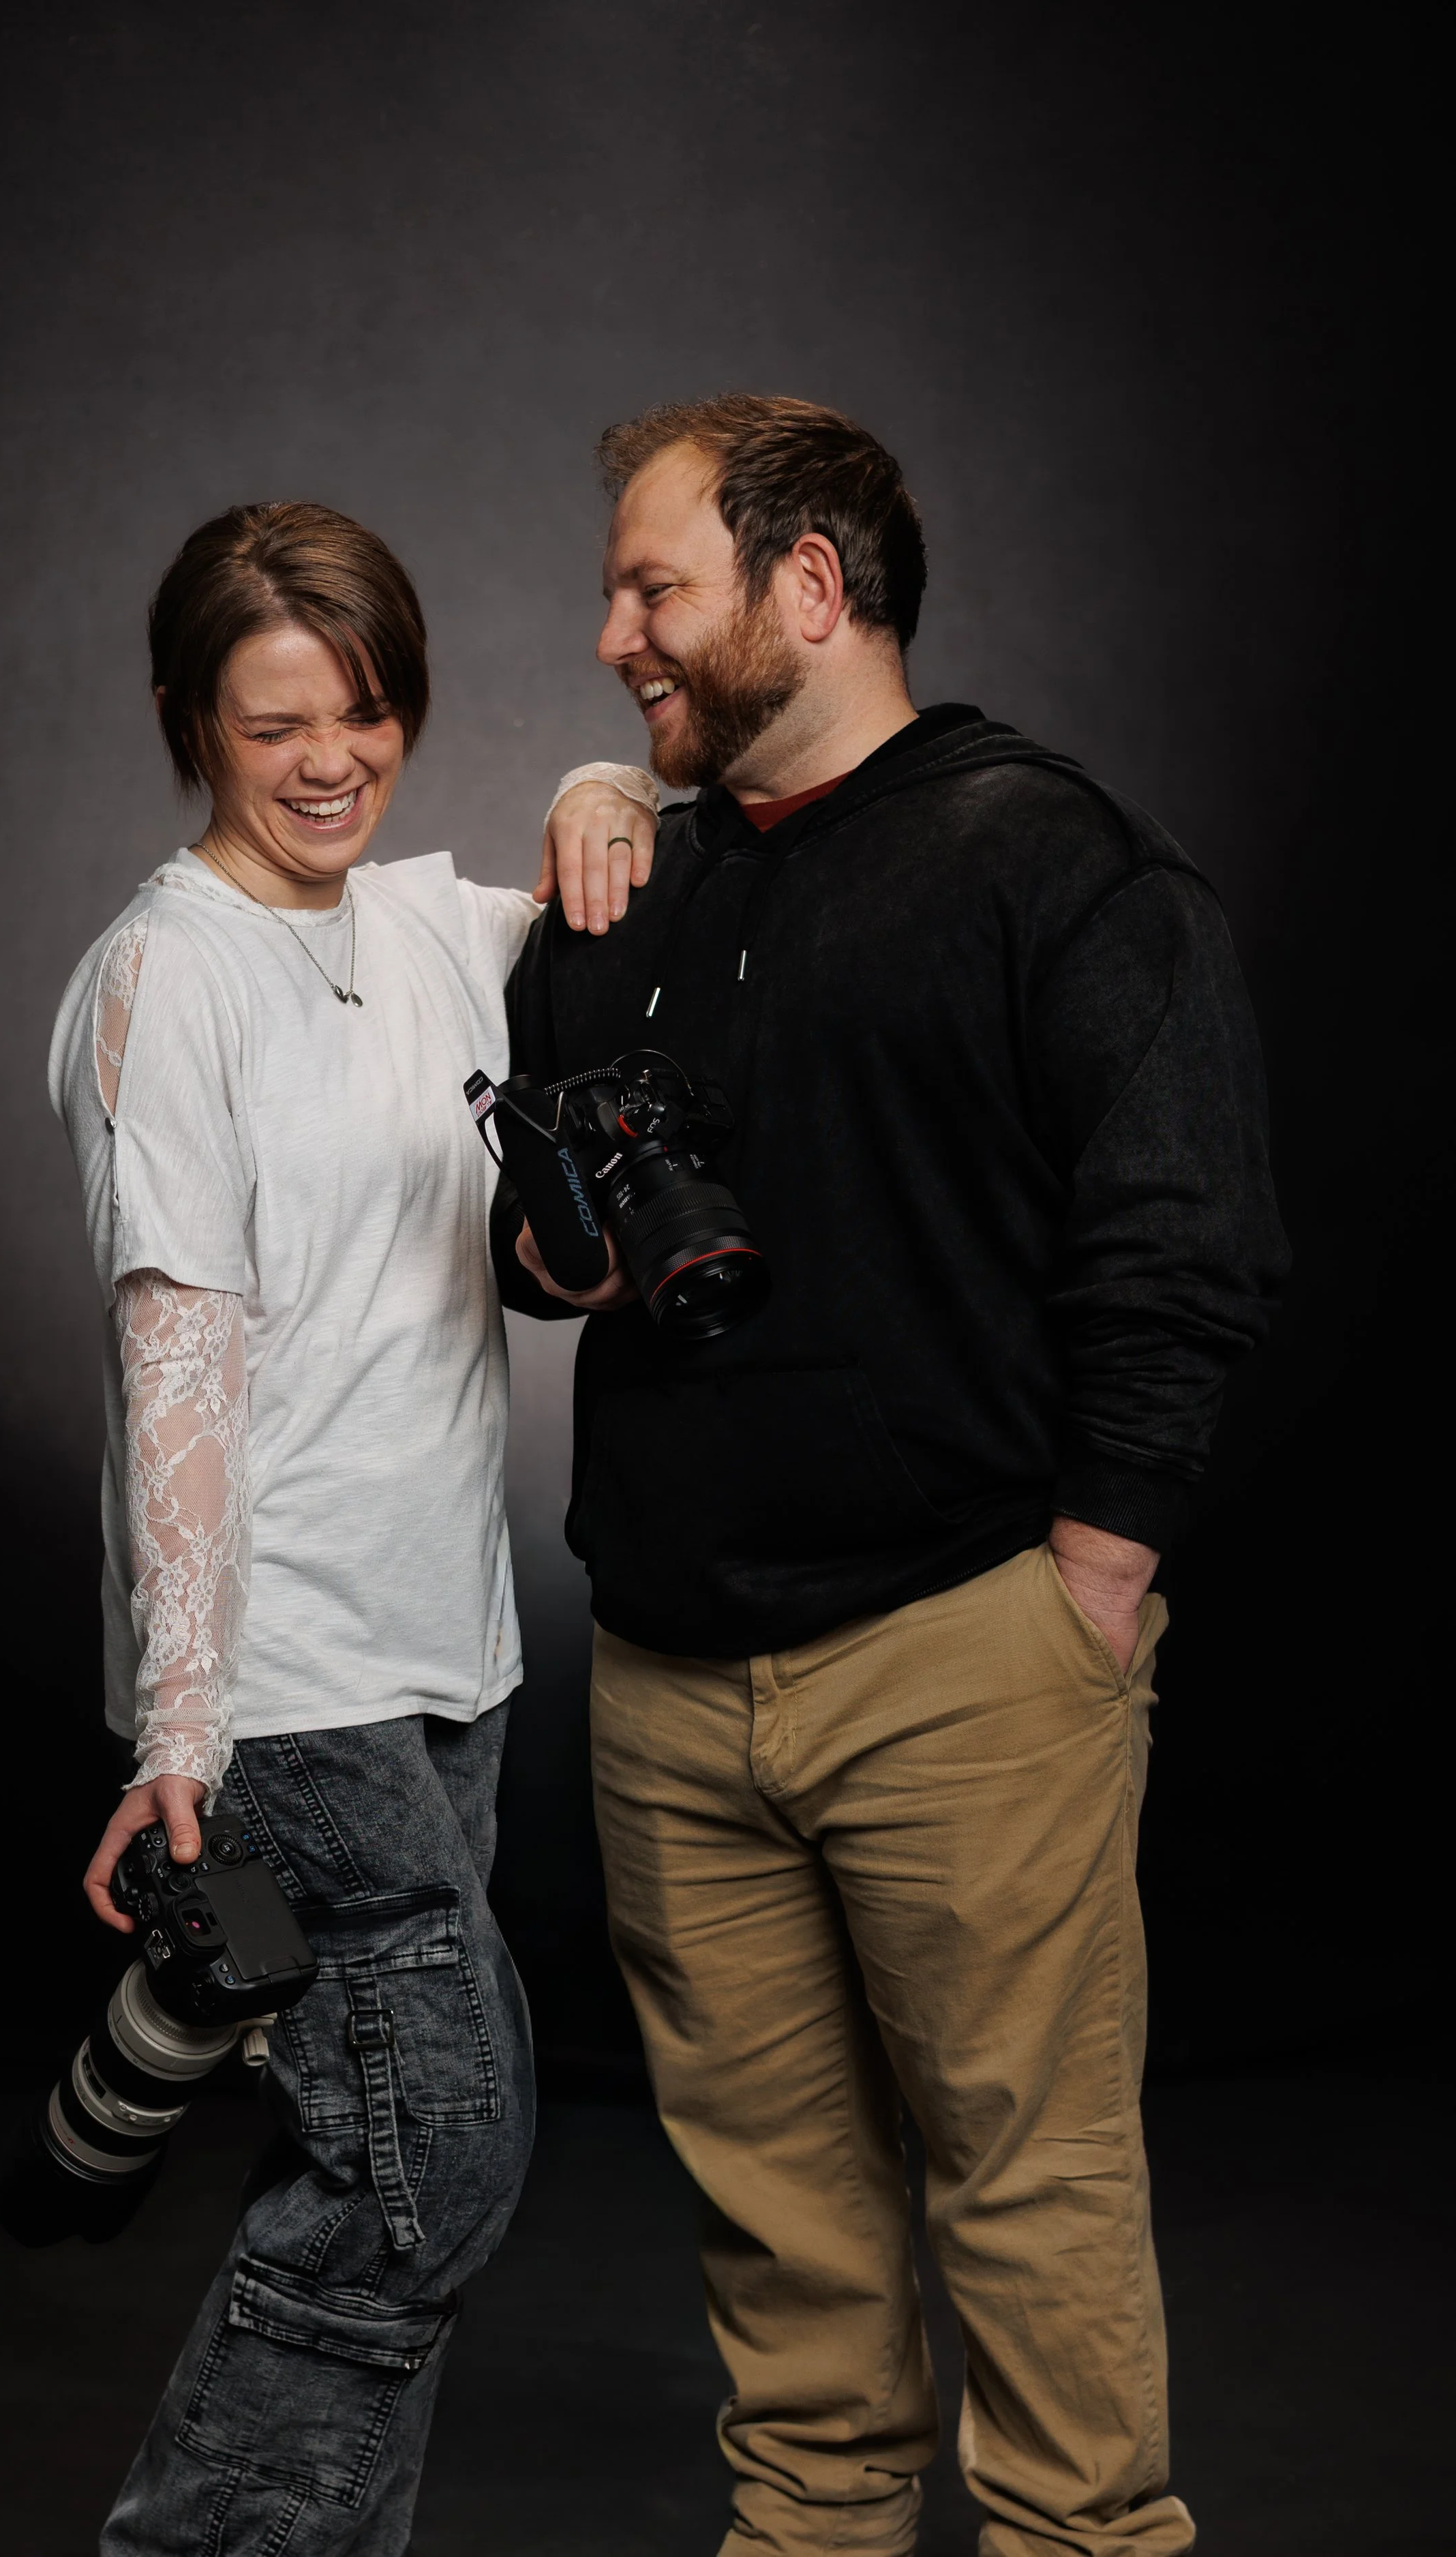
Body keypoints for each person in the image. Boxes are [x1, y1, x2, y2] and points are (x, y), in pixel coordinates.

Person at [499, 396, 1289, 2557]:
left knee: (1025, 2200)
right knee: (784, 2250)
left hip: (967, 1649)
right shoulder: (629, 879)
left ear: (809, 587)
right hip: (670, 1682)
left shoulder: (1049, 858)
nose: (610, 636)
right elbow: (534, 1233)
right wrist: (560, 1203)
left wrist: (1092, 1579)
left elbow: (1182, 1234)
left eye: (653, 587)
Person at [48, 499, 656, 2557]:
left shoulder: (412, 929)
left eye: (372, 713)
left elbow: (604, 889)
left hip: (448, 1667)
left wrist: (594, 784)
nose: (331, 762)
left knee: (373, 2165)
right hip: (289, 1684)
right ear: (186, 722)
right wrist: (182, 1727)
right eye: (276, 724)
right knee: (439, 2160)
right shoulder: (163, 977)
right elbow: (181, 1375)